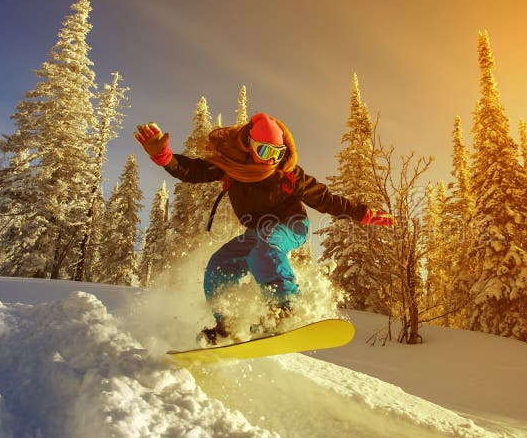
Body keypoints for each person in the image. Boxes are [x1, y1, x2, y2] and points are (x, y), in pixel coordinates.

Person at [134, 112, 393, 344]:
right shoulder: (232, 167)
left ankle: (287, 309)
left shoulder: (288, 175)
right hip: (257, 232)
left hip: (291, 225)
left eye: (277, 153)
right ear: (249, 145)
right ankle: (228, 324)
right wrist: (163, 156)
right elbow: (193, 171)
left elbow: (325, 199)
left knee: (266, 248)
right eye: (265, 151)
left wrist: (364, 214)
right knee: (219, 265)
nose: (271, 159)